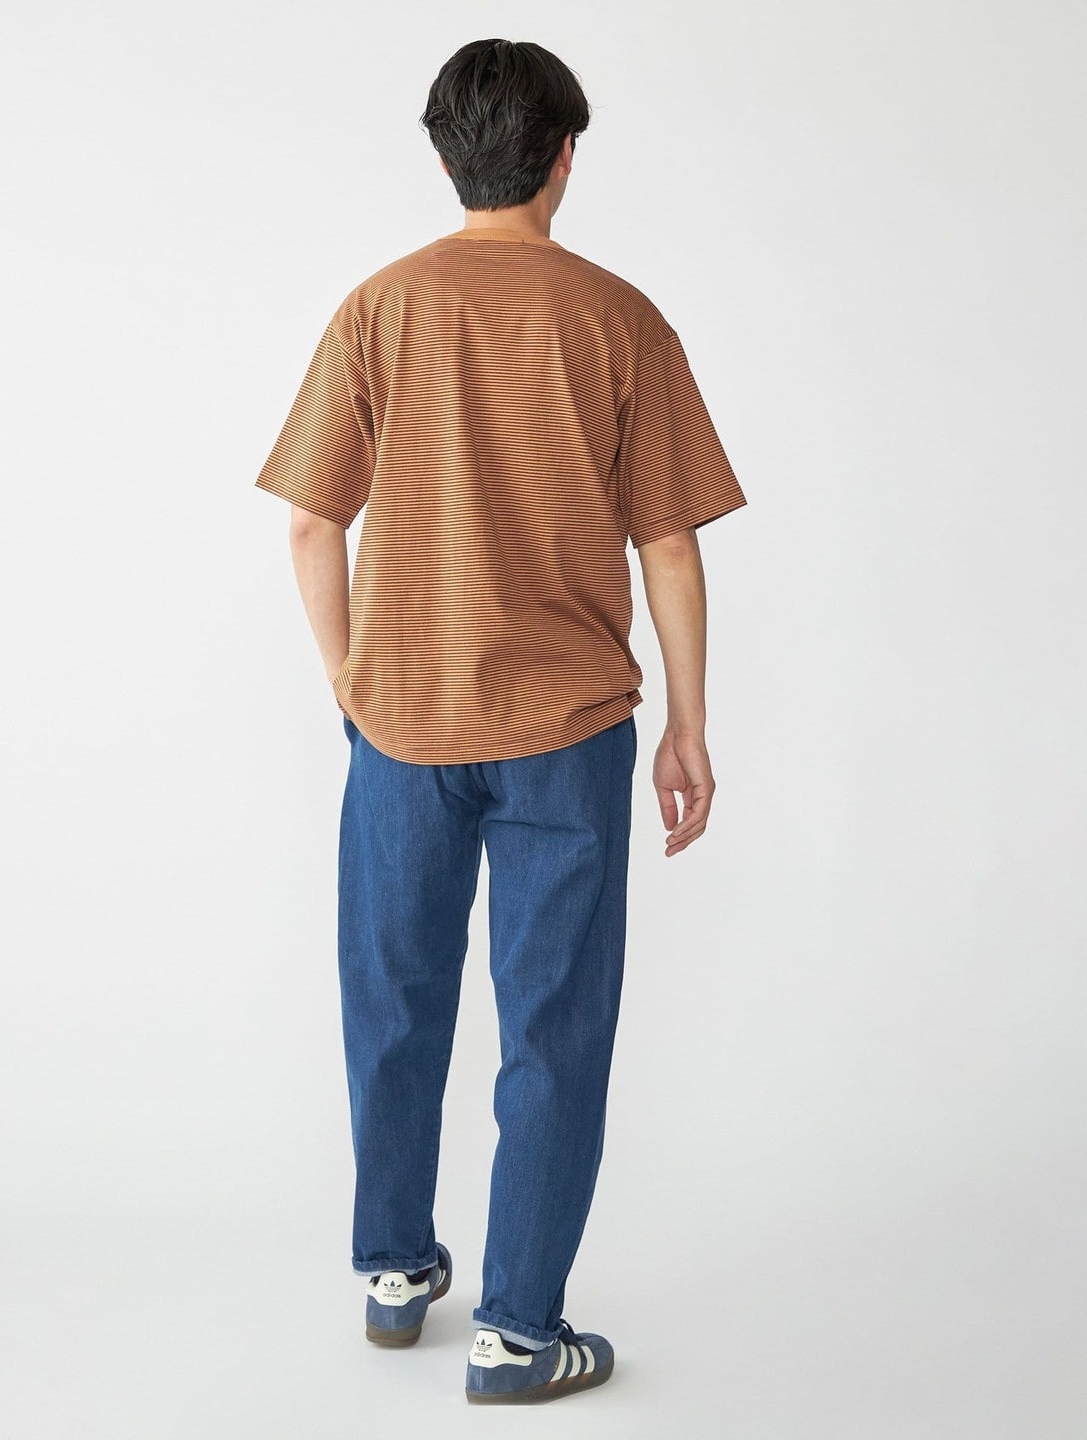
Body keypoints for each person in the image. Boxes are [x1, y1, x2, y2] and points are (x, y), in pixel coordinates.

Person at [253, 37, 747, 1405]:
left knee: (392, 1001)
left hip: (400, 730)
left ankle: (394, 1270)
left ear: (444, 154)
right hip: (565, 728)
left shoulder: (377, 308)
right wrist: (689, 724)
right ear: (566, 157)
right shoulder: (622, 320)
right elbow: (671, 544)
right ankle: (520, 1335)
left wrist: (353, 685)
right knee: (554, 1028)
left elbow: (309, 525)